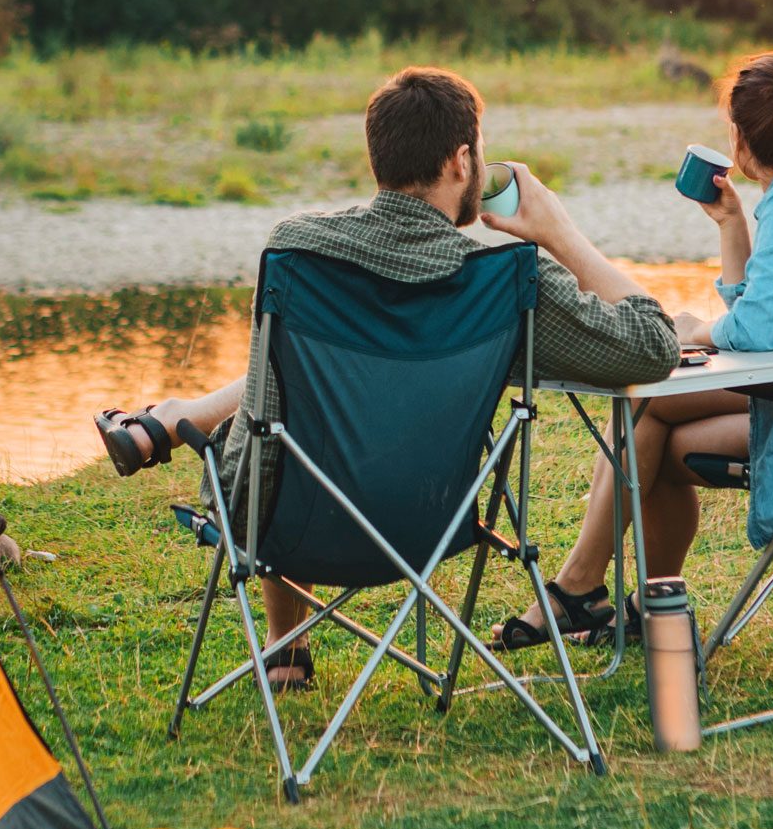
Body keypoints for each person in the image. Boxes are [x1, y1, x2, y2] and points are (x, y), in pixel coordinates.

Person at [94, 66, 678, 689]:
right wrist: (558, 232)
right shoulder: (505, 279)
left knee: (282, 401)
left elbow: (270, 400)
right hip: (431, 521)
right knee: (284, 387)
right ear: (461, 162)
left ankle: (284, 642)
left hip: (287, 522)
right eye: (479, 154)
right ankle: (171, 424)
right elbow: (653, 346)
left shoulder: (300, 249)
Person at [493, 50, 773, 642]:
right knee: (650, 416)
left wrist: (694, 332)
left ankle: (582, 591)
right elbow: (768, 312)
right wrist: (733, 225)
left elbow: (756, 332)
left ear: (738, 139)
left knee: (649, 421)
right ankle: (626, 602)